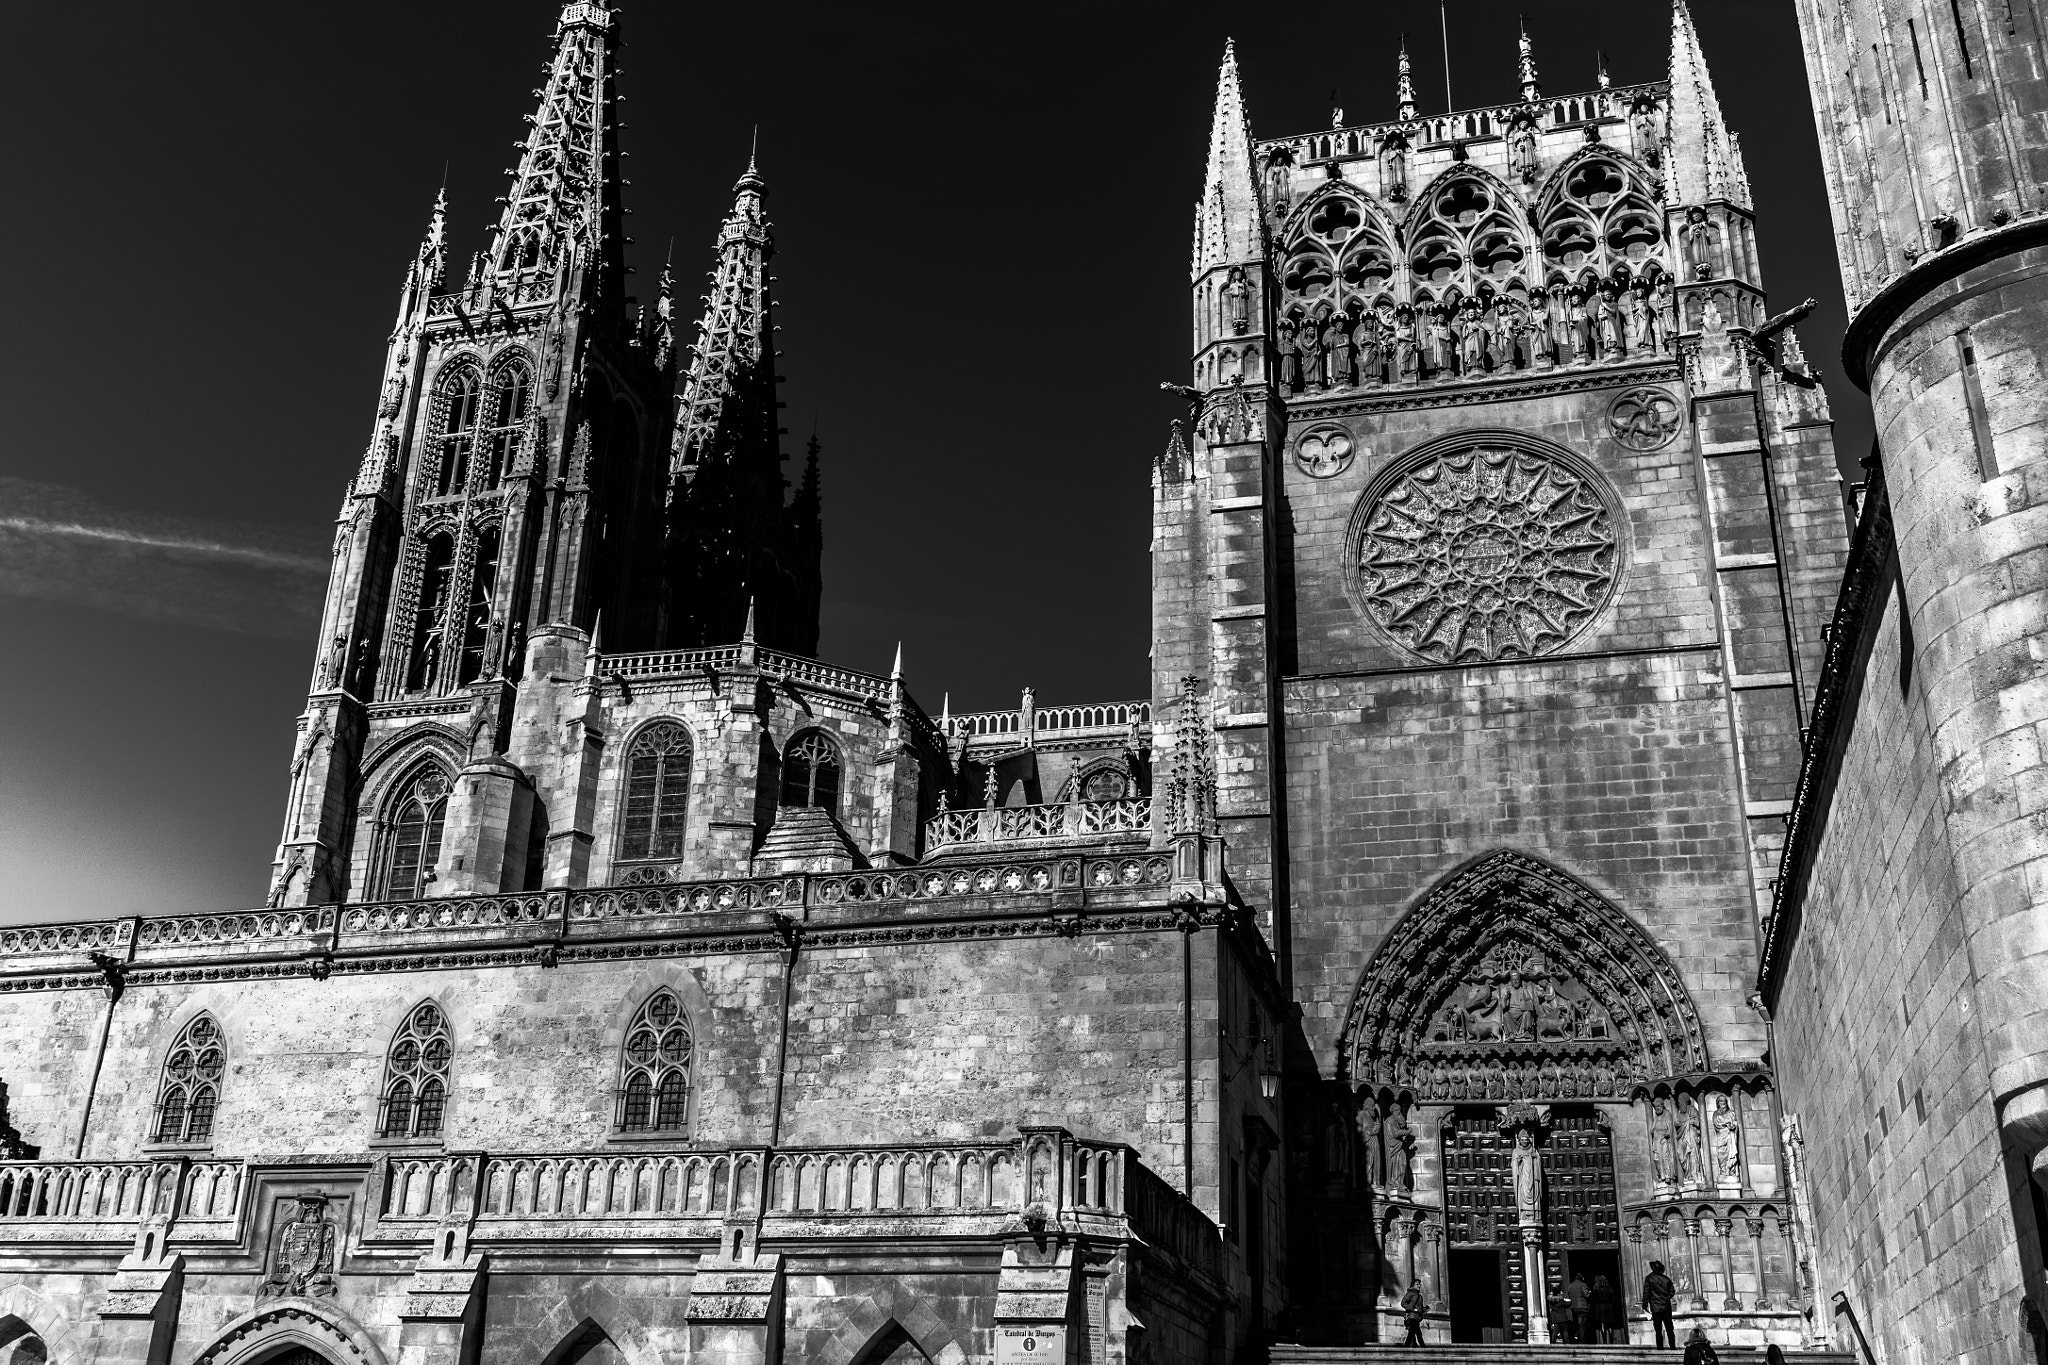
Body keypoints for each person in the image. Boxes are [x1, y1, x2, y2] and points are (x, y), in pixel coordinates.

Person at [1643, 1260, 1677, 1348]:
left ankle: (1660, 1347)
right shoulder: (1666, 1279)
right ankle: (1672, 1346)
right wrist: (1666, 1297)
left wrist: (1645, 1304)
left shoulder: (1649, 1278)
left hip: (1655, 1307)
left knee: (1658, 1329)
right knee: (1669, 1328)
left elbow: (1646, 1292)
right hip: (1666, 1306)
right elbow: (1672, 1291)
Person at [1564, 1271, 1592, 1343]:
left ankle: (1574, 1337)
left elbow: (1570, 1296)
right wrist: (1590, 1292)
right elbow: (1587, 1295)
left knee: (1576, 1324)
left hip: (1574, 1307)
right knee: (1582, 1325)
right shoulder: (1583, 1285)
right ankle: (1581, 1339)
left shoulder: (1570, 1285)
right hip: (1582, 1307)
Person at [1591, 1273, 1620, 1344]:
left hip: (1600, 1308)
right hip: (1609, 1307)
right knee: (1610, 1325)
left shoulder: (1596, 1290)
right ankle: (1611, 1340)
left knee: (1602, 1325)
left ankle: (1604, 1340)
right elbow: (1613, 1299)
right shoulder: (1610, 1290)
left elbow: (1593, 1300)